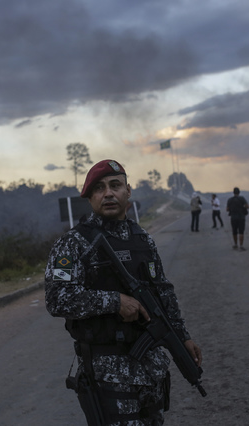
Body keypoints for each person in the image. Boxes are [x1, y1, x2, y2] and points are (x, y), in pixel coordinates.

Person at [45, 159, 202, 425]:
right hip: (108, 374)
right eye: (99, 188)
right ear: (90, 197)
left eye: (115, 185)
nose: (108, 193)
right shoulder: (73, 244)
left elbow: (162, 291)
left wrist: (181, 335)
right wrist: (114, 301)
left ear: (128, 191)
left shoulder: (142, 238)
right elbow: (56, 299)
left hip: (151, 370)